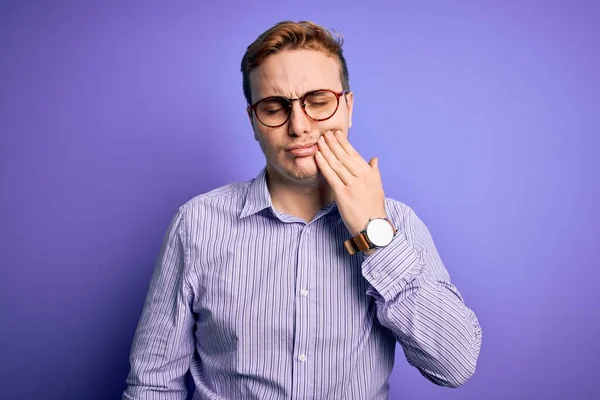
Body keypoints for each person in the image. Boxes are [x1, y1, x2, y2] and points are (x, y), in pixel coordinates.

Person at [123, 20, 482, 400]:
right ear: (253, 121)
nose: (298, 126)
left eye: (319, 102)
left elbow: (454, 365)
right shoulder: (195, 224)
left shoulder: (400, 225)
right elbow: (153, 385)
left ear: (348, 107)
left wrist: (376, 234)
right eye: (274, 107)